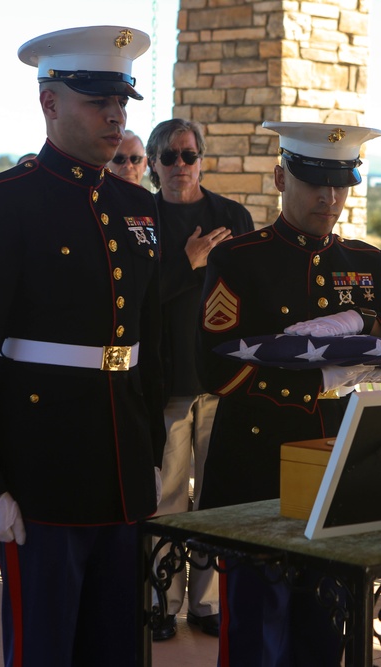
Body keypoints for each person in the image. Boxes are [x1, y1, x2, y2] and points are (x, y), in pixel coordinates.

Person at [0, 25, 164, 665]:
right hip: (42, 470)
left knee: (118, 645)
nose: (115, 116)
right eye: (96, 101)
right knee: (46, 648)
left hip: (121, 468)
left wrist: (149, 452)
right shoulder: (4, 203)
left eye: (121, 102)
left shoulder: (137, 207)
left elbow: (147, 343)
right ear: (49, 102)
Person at [197, 121, 381, 666]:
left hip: (342, 467)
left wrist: (367, 321)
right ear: (278, 176)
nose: (329, 197)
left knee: (325, 631)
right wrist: (320, 375)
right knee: (254, 633)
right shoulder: (239, 259)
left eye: (340, 184)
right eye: (314, 181)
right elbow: (215, 367)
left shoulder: (365, 262)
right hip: (257, 465)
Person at [145, 118, 253, 641]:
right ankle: (161, 601)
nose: (179, 165)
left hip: (219, 381)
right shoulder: (140, 219)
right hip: (165, 382)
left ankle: (207, 603)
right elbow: (136, 303)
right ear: (152, 164)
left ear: (202, 159)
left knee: (213, 497)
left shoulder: (231, 217)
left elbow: (251, 292)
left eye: (188, 155)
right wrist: (187, 263)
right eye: (168, 157)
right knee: (167, 495)